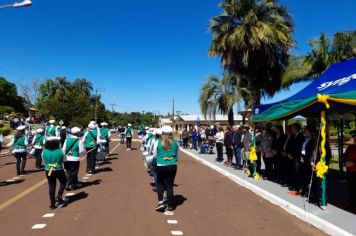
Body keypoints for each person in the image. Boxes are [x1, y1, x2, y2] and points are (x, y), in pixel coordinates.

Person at [152, 126, 179, 212]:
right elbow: (177, 155)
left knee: (160, 183)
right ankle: (170, 205)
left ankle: (161, 202)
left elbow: (154, 155)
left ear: (162, 134)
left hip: (161, 165)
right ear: (171, 134)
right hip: (172, 165)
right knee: (170, 185)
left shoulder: (157, 142)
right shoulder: (176, 142)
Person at [42, 138, 67, 209]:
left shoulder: (44, 151)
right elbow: (65, 160)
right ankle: (59, 196)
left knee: (51, 186)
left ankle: (52, 205)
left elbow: (44, 160)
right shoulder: (61, 150)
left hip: (48, 170)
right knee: (63, 182)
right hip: (58, 169)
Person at [298, 126, 315, 196]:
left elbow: (312, 151)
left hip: (308, 159)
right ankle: (303, 189)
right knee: (303, 175)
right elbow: (302, 149)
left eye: (307, 131)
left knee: (308, 176)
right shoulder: (305, 139)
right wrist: (301, 156)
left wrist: (309, 159)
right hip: (303, 158)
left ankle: (308, 191)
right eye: (305, 131)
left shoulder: (313, 140)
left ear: (310, 132)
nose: (306, 133)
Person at [288, 123, 305, 192]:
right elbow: (291, 146)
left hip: (297, 157)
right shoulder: (293, 136)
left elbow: (299, 148)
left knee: (298, 172)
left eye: (292, 128)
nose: (291, 129)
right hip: (292, 157)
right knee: (293, 172)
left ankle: (297, 187)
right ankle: (294, 185)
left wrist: (293, 155)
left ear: (296, 128)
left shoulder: (301, 137)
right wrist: (289, 153)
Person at [344, 130, 356, 210]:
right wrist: (346, 162)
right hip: (349, 171)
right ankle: (352, 204)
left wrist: (353, 163)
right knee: (351, 188)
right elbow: (345, 156)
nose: (353, 139)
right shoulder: (350, 147)